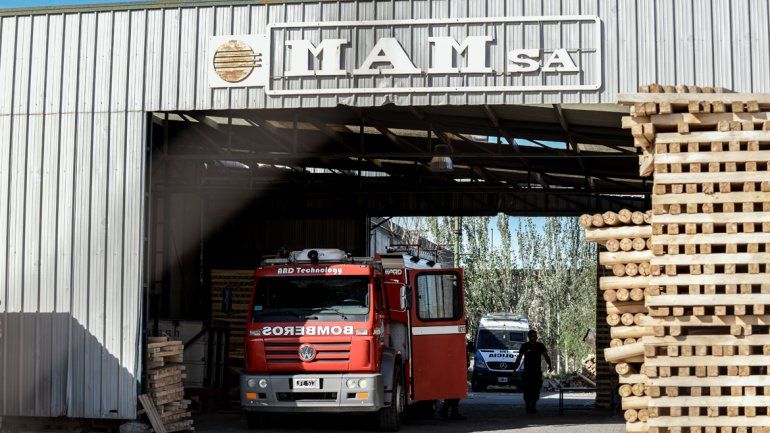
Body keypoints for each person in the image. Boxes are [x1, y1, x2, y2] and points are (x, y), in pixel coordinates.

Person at [512, 329, 553, 414]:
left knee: (536, 389)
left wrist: (550, 365)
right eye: (532, 336)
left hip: (537, 372)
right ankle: (527, 407)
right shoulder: (525, 346)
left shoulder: (540, 346)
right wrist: (515, 367)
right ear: (529, 337)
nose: (534, 337)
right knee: (527, 390)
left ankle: (533, 407)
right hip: (527, 372)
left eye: (535, 336)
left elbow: (546, 356)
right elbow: (519, 358)